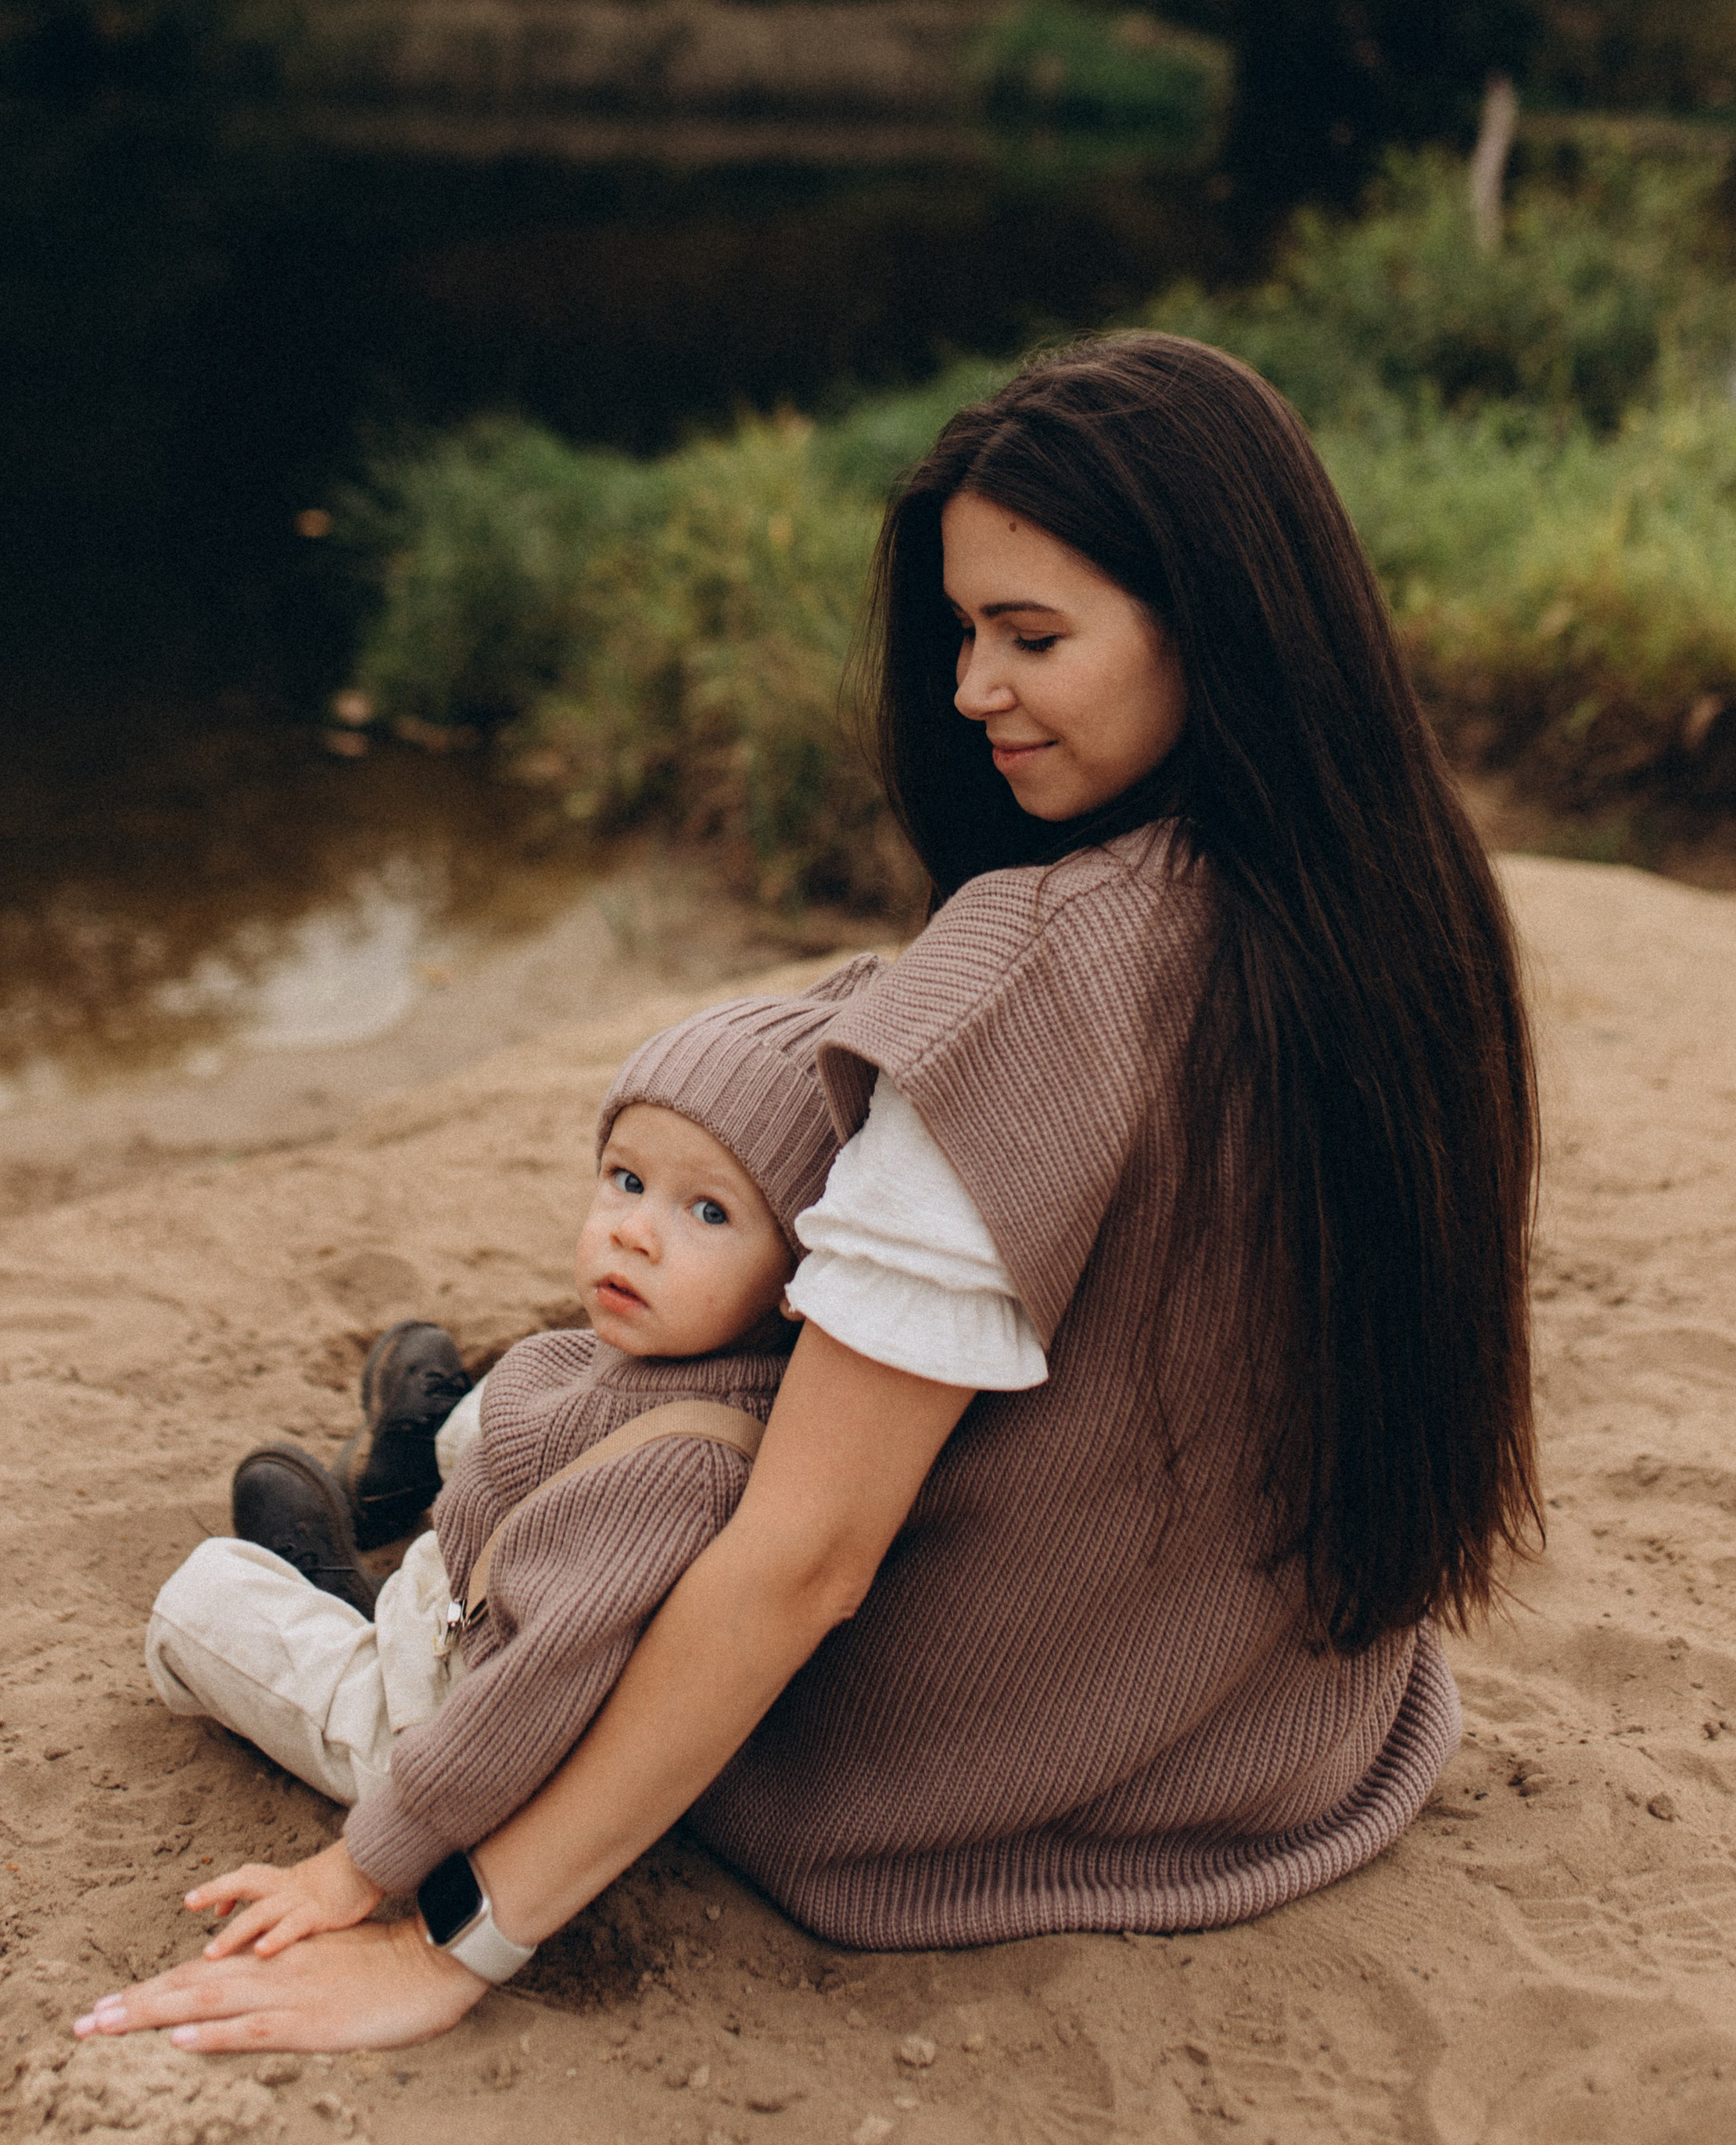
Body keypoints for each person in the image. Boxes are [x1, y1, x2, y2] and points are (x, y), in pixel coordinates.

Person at [76, 333, 1539, 2057]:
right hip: (1267, 1740)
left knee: (600, 1494)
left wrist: (444, 1941)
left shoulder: (1047, 967)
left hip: (958, 1777)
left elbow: (806, 1566)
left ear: (1211, 619)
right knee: (676, 1357)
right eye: (960, 636)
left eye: (1029, 637)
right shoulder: (1410, 932)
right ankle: (432, 1466)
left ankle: (366, 1547)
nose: (970, 691)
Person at [137, 968, 882, 1917]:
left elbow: (533, 1697)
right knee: (536, 1381)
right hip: (487, 1573)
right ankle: (411, 1462)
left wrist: (377, 1857)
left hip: (456, 1708)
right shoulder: (704, 1353)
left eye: (708, 1213)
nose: (634, 1234)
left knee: (203, 1599)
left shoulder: (679, 1478)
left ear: (799, 1278)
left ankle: (336, 1600)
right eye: (626, 1180)